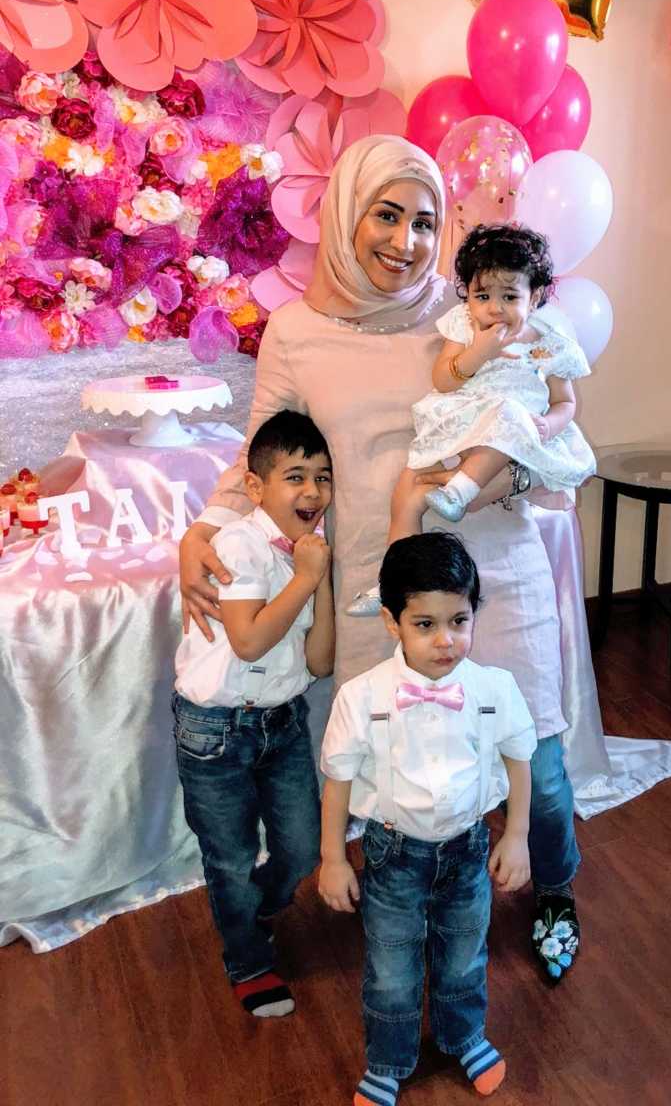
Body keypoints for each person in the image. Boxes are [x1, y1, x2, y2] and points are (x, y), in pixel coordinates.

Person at [179, 135, 584, 982]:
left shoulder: (470, 308)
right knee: (404, 765)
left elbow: (545, 405)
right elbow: (260, 453)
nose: (406, 242)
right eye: (386, 214)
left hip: (493, 562)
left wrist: (519, 463)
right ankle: (418, 907)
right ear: (345, 215)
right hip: (378, 584)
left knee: (535, 764)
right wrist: (203, 530)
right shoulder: (295, 331)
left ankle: (555, 889)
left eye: (426, 222)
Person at [319, 533, 536, 1106]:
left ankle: (463, 1035)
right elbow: (338, 779)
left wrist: (516, 835)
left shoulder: (494, 688)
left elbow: (518, 756)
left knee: (465, 952)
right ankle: (389, 1060)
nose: (446, 640)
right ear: (392, 622)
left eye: (459, 620)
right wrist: (334, 858)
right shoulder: (362, 696)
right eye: (424, 624)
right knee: (392, 967)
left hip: (467, 848)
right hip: (393, 855)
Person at [173, 409, 334, 1017]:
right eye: (296, 476)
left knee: (302, 847)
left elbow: (319, 662)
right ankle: (246, 959)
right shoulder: (238, 542)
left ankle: (256, 909)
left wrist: (321, 579)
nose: (313, 491)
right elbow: (247, 640)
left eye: (323, 477)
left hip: (282, 719)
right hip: (213, 728)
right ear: (257, 486)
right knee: (231, 855)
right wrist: (308, 575)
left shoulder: (309, 552)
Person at [346, 223, 596, 615]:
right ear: (468, 297)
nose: (494, 308)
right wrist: (478, 351)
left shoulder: (549, 345)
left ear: (535, 299)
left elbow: (565, 401)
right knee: (407, 493)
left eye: (509, 296)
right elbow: (443, 379)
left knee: (510, 417)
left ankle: (463, 489)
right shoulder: (464, 326)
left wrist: (551, 424)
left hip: (509, 438)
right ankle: (391, 582)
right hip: (459, 423)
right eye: (482, 295)